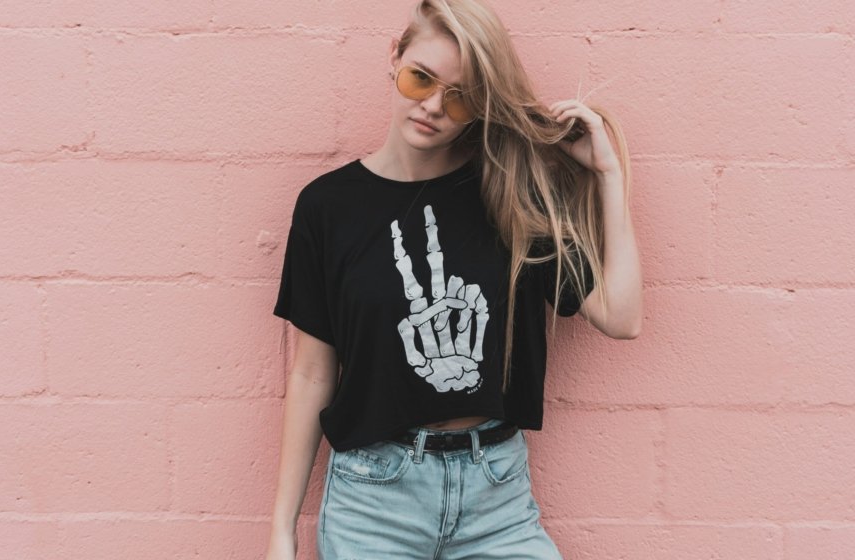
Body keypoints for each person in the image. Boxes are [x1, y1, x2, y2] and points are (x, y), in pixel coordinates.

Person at [267, 0, 642, 557]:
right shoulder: (327, 207)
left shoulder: (512, 195)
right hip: (373, 500)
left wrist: (608, 174)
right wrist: (281, 531)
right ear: (394, 58)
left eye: (462, 97)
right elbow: (312, 373)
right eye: (421, 78)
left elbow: (622, 317)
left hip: (497, 497)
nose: (433, 107)